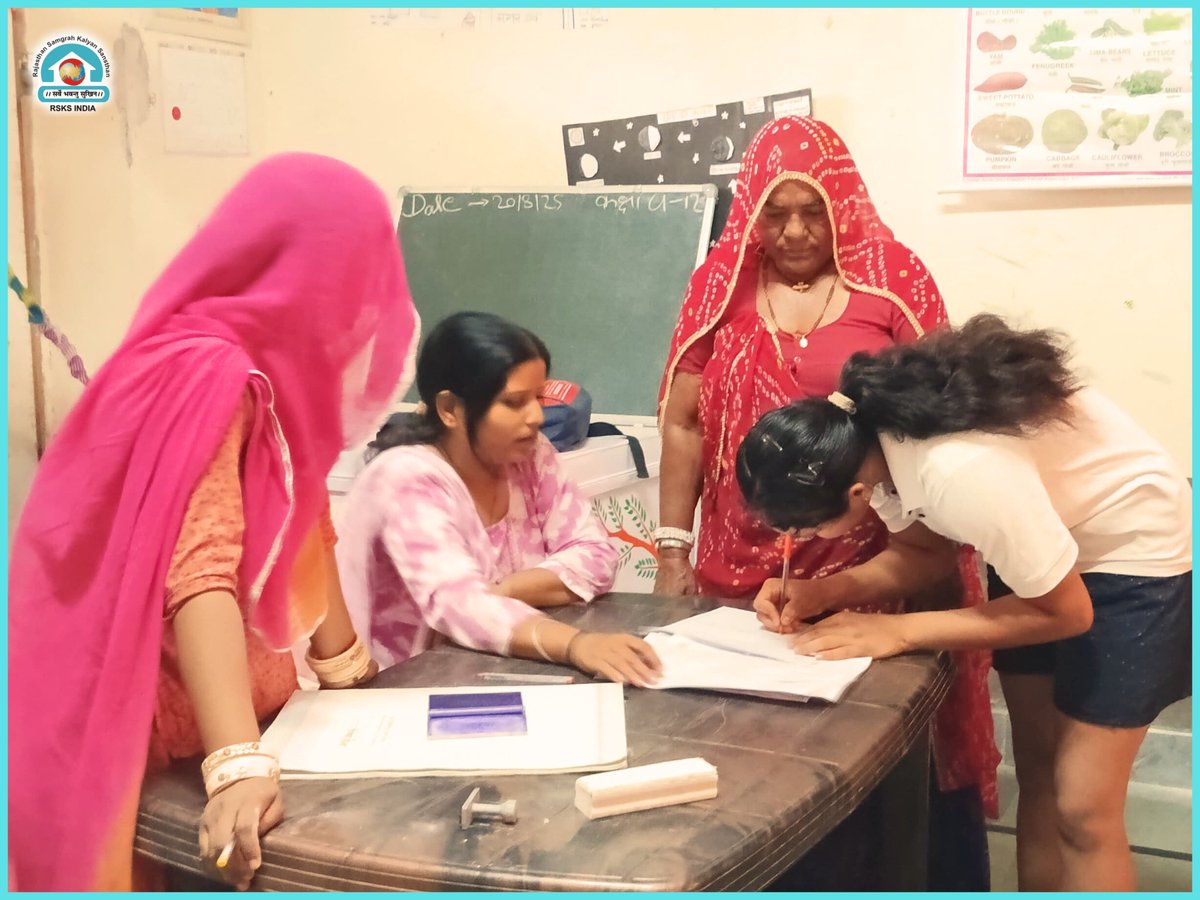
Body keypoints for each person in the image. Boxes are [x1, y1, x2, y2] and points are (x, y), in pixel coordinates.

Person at [8, 154, 420, 891]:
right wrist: (236, 765)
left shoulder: (266, 368)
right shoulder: (209, 374)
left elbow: (305, 522)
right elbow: (199, 572)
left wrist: (348, 675)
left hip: (254, 720)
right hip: (165, 746)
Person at [654, 115, 997, 886]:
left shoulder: (893, 278)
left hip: (879, 552)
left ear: (842, 203)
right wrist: (673, 548)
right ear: (751, 212)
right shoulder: (719, 285)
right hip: (741, 557)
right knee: (741, 744)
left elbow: (940, 416)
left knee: (863, 745)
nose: (797, 230)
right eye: (776, 213)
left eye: (814, 210)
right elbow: (682, 420)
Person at [737, 313, 1192, 892]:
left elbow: (1067, 613)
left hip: (1132, 549)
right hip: (1046, 541)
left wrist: (901, 632)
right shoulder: (867, 446)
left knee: (1083, 808)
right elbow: (922, 555)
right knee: (1040, 776)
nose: (796, 544)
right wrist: (823, 592)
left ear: (852, 494)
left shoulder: (956, 472)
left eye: (804, 531)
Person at [338, 311, 662, 686]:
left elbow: (597, 553)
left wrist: (502, 592)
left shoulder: (530, 454)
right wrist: (576, 645)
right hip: (396, 691)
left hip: (487, 670)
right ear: (449, 409)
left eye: (538, 397)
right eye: (514, 402)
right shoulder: (407, 478)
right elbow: (459, 605)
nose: (536, 416)